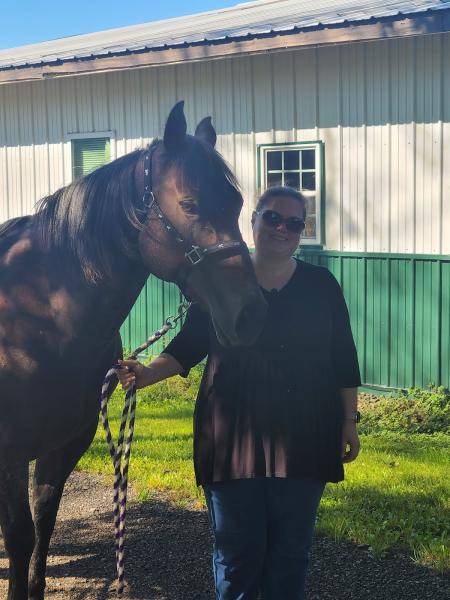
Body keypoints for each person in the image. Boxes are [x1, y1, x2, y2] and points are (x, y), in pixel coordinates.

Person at [118, 186, 361, 600]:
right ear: (254, 221)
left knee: (290, 554)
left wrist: (349, 422)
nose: (282, 228)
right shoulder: (223, 278)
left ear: (302, 231)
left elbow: (343, 359)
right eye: (272, 217)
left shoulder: (322, 286)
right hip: (230, 437)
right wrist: (144, 374)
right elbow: (187, 347)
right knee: (236, 555)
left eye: (294, 222)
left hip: (306, 435)